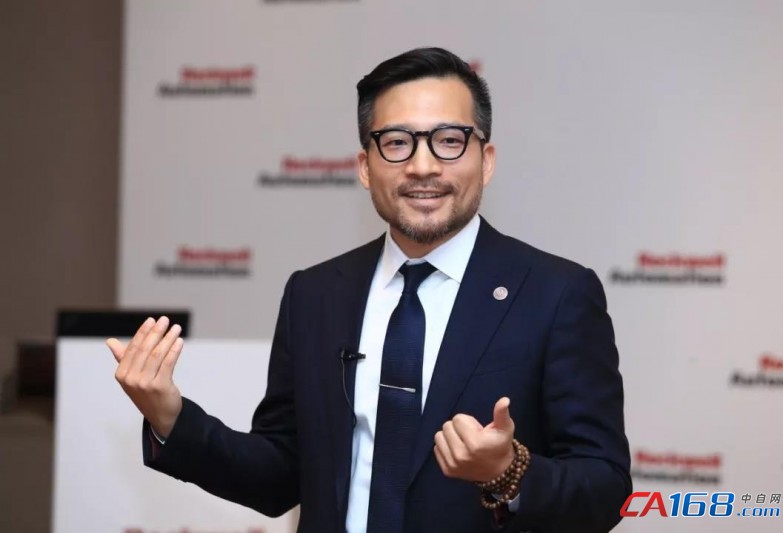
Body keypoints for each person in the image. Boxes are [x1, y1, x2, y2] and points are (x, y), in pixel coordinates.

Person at [108, 47, 631, 533]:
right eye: (397, 143)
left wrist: (508, 471)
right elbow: (277, 476)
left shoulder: (556, 295)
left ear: (486, 160)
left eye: (449, 141)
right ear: (365, 166)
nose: (423, 166)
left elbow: (606, 489)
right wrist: (169, 414)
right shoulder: (315, 295)